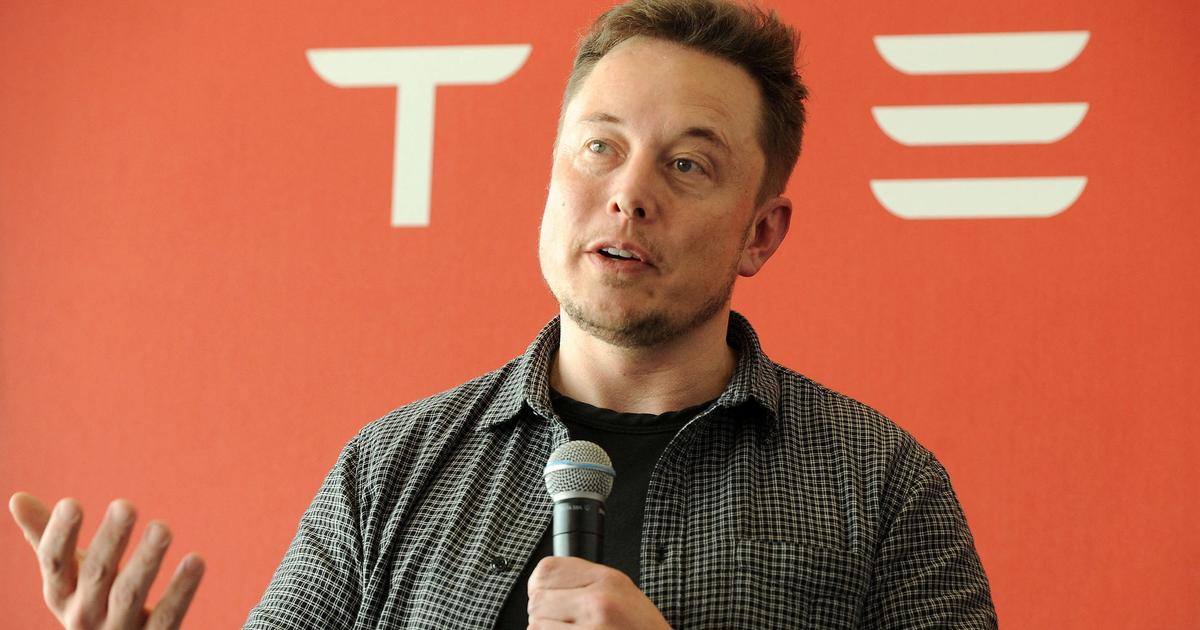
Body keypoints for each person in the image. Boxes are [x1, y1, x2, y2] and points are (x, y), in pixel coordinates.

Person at [10, 0, 998, 627]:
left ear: (760, 233)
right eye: (599, 148)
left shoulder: (880, 486)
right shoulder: (389, 470)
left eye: (688, 164)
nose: (629, 195)